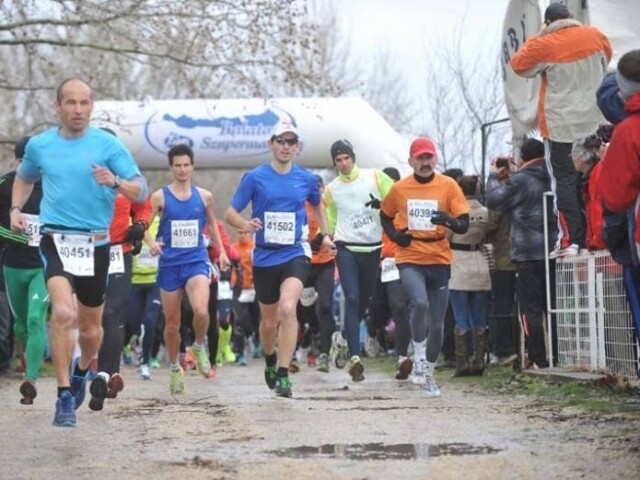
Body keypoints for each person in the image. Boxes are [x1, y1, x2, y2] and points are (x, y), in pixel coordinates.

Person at [10, 77, 148, 427]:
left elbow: (141, 191)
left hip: (96, 245)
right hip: (55, 239)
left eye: (84, 103)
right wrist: (15, 208)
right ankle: (63, 396)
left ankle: (81, 371)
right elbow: (24, 177)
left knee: (90, 330)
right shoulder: (41, 146)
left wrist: (114, 181)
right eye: (70, 103)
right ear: (57, 106)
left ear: (92, 106)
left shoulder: (108, 145)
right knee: (63, 314)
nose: (78, 110)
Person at [225, 120, 335, 398]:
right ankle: (271, 357)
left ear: (297, 147)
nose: (286, 147)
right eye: (281, 141)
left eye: (291, 142)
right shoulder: (255, 177)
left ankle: (284, 374)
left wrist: (325, 234)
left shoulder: (307, 178)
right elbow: (230, 213)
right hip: (264, 257)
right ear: (271, 144)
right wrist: (246, 224)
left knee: (289, 308)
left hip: (296, 252)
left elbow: (317, 203)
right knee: (269, 322)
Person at [510, 2, 612, 258]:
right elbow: (606, 57)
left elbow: (519, 64)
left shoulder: (546, 43)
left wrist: (541, 34)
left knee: (565, 182)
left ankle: (574, 240)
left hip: (560, 127)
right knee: (597, 178)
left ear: (548, 22)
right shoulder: (595, 35)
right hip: (596, 123)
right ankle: (600, 235)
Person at [380, 137, 469, 397]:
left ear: (435, 159)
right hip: (410, 255)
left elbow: (464, 224)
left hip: (439, 256)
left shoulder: (449, 185)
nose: (425, 162)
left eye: (429, 157)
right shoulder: (400, 188)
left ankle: (429, 373)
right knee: (420, 303)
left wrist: (448, 220)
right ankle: (418, 356)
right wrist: (396, 236)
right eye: (420, 158)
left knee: (438, 324)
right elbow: (385, 215)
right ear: (411, 161)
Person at [147, 144, 229, 395]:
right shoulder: (159, 197)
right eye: (178, 165)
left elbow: (212, 224)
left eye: (186, 165)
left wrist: (223, 250)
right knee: (172, 324)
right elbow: (145, 225)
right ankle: (174, 367)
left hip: (196, 261)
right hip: (170, 265)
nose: (182, 170)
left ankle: (199, 346)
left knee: (202, 311)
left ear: (193, 166)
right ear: (171, 167)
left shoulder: (204, 196)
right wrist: (151, 243)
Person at [90, 128, 152, 411]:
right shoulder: (79, 175)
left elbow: (143, 205)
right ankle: (93, 368)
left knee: (113, 311)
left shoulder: (127, 176)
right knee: (91, 314)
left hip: (118, 251)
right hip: (84, 251)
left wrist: (139, 226)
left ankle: (104, 376)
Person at [323, 139, 394, 382]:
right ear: (334, 163)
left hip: (373, 247)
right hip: (346, 248)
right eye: (338, 160)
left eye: (346, 158)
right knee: (351, 298)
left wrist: (384, 206)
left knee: (363, 302)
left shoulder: (375, 177)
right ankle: (355, 359)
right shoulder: (331, 189)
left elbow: (397, 200)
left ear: (353, 158)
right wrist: (329, 239)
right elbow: (331, 218)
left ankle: (342, 336)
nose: (343, 163)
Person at [486, 138, 558, 369]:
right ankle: (559, 353)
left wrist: (494, 175)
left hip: (528, 253)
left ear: (522, 157)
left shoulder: (520, 181)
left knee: (531, 309)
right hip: (556, 249)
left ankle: (539, 357)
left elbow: (495, 200)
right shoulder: (556, 174)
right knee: (555, 306)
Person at [0, 136, 48, 404]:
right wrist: (13, 235)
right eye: (23, 161)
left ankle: (30, 379)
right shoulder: (6, 185)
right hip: (13, 265)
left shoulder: (53, 186)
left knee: (34, 318)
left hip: (43, 266)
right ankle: (25, 351)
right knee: (20, 325)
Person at [363, 166, 412, 379]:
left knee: (400, 308)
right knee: (376, 310)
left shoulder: (405, 204)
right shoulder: (370, 204)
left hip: (397, 261)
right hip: (376, 262)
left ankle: (402, 358)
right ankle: (372, 332)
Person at [448, 175, 491, 376]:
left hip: (458, 262)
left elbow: (446, 237)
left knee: (461, 317)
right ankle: (479, 360)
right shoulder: (485, 213)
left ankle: (462, 362)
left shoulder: (455, 212)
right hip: (479, 261)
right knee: (479, 315)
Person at [297, 175, 336, 373]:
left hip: (326, 264)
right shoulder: (299, 206)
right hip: (304, 264)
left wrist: (326, 237)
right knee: (307, 311)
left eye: (319, 187)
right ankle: (312, 332)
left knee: (326, 307)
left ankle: (324, 354)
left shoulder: (330, 206)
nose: (317, 191)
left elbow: (338, 227)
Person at [126, 217, 161, 380]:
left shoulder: (160, 223)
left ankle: (145, 363)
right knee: (133, 323)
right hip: (134, 281)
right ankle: (134, 341)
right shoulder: (130, 222)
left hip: (154, 282)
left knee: (150, 321)